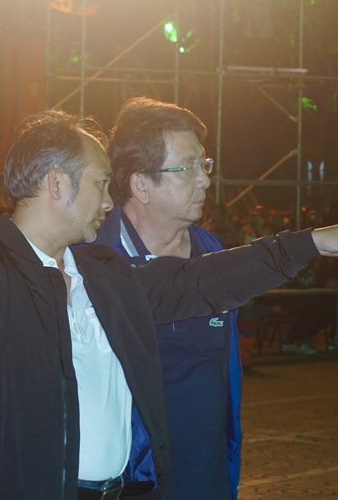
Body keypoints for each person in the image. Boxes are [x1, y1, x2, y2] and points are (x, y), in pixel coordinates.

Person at [0, 108, 338, 499]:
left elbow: (201, 281)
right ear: (57, 184)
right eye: (100, 184)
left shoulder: (101, 274)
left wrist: (312, 243)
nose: (110, 200)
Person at [94, 97, 242, 498]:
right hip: (134, 483)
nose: (205, 181)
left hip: (210, 477)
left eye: (204, 165)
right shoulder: (95, 262)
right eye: (187, 167)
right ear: (141, 184)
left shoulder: (211, 252)